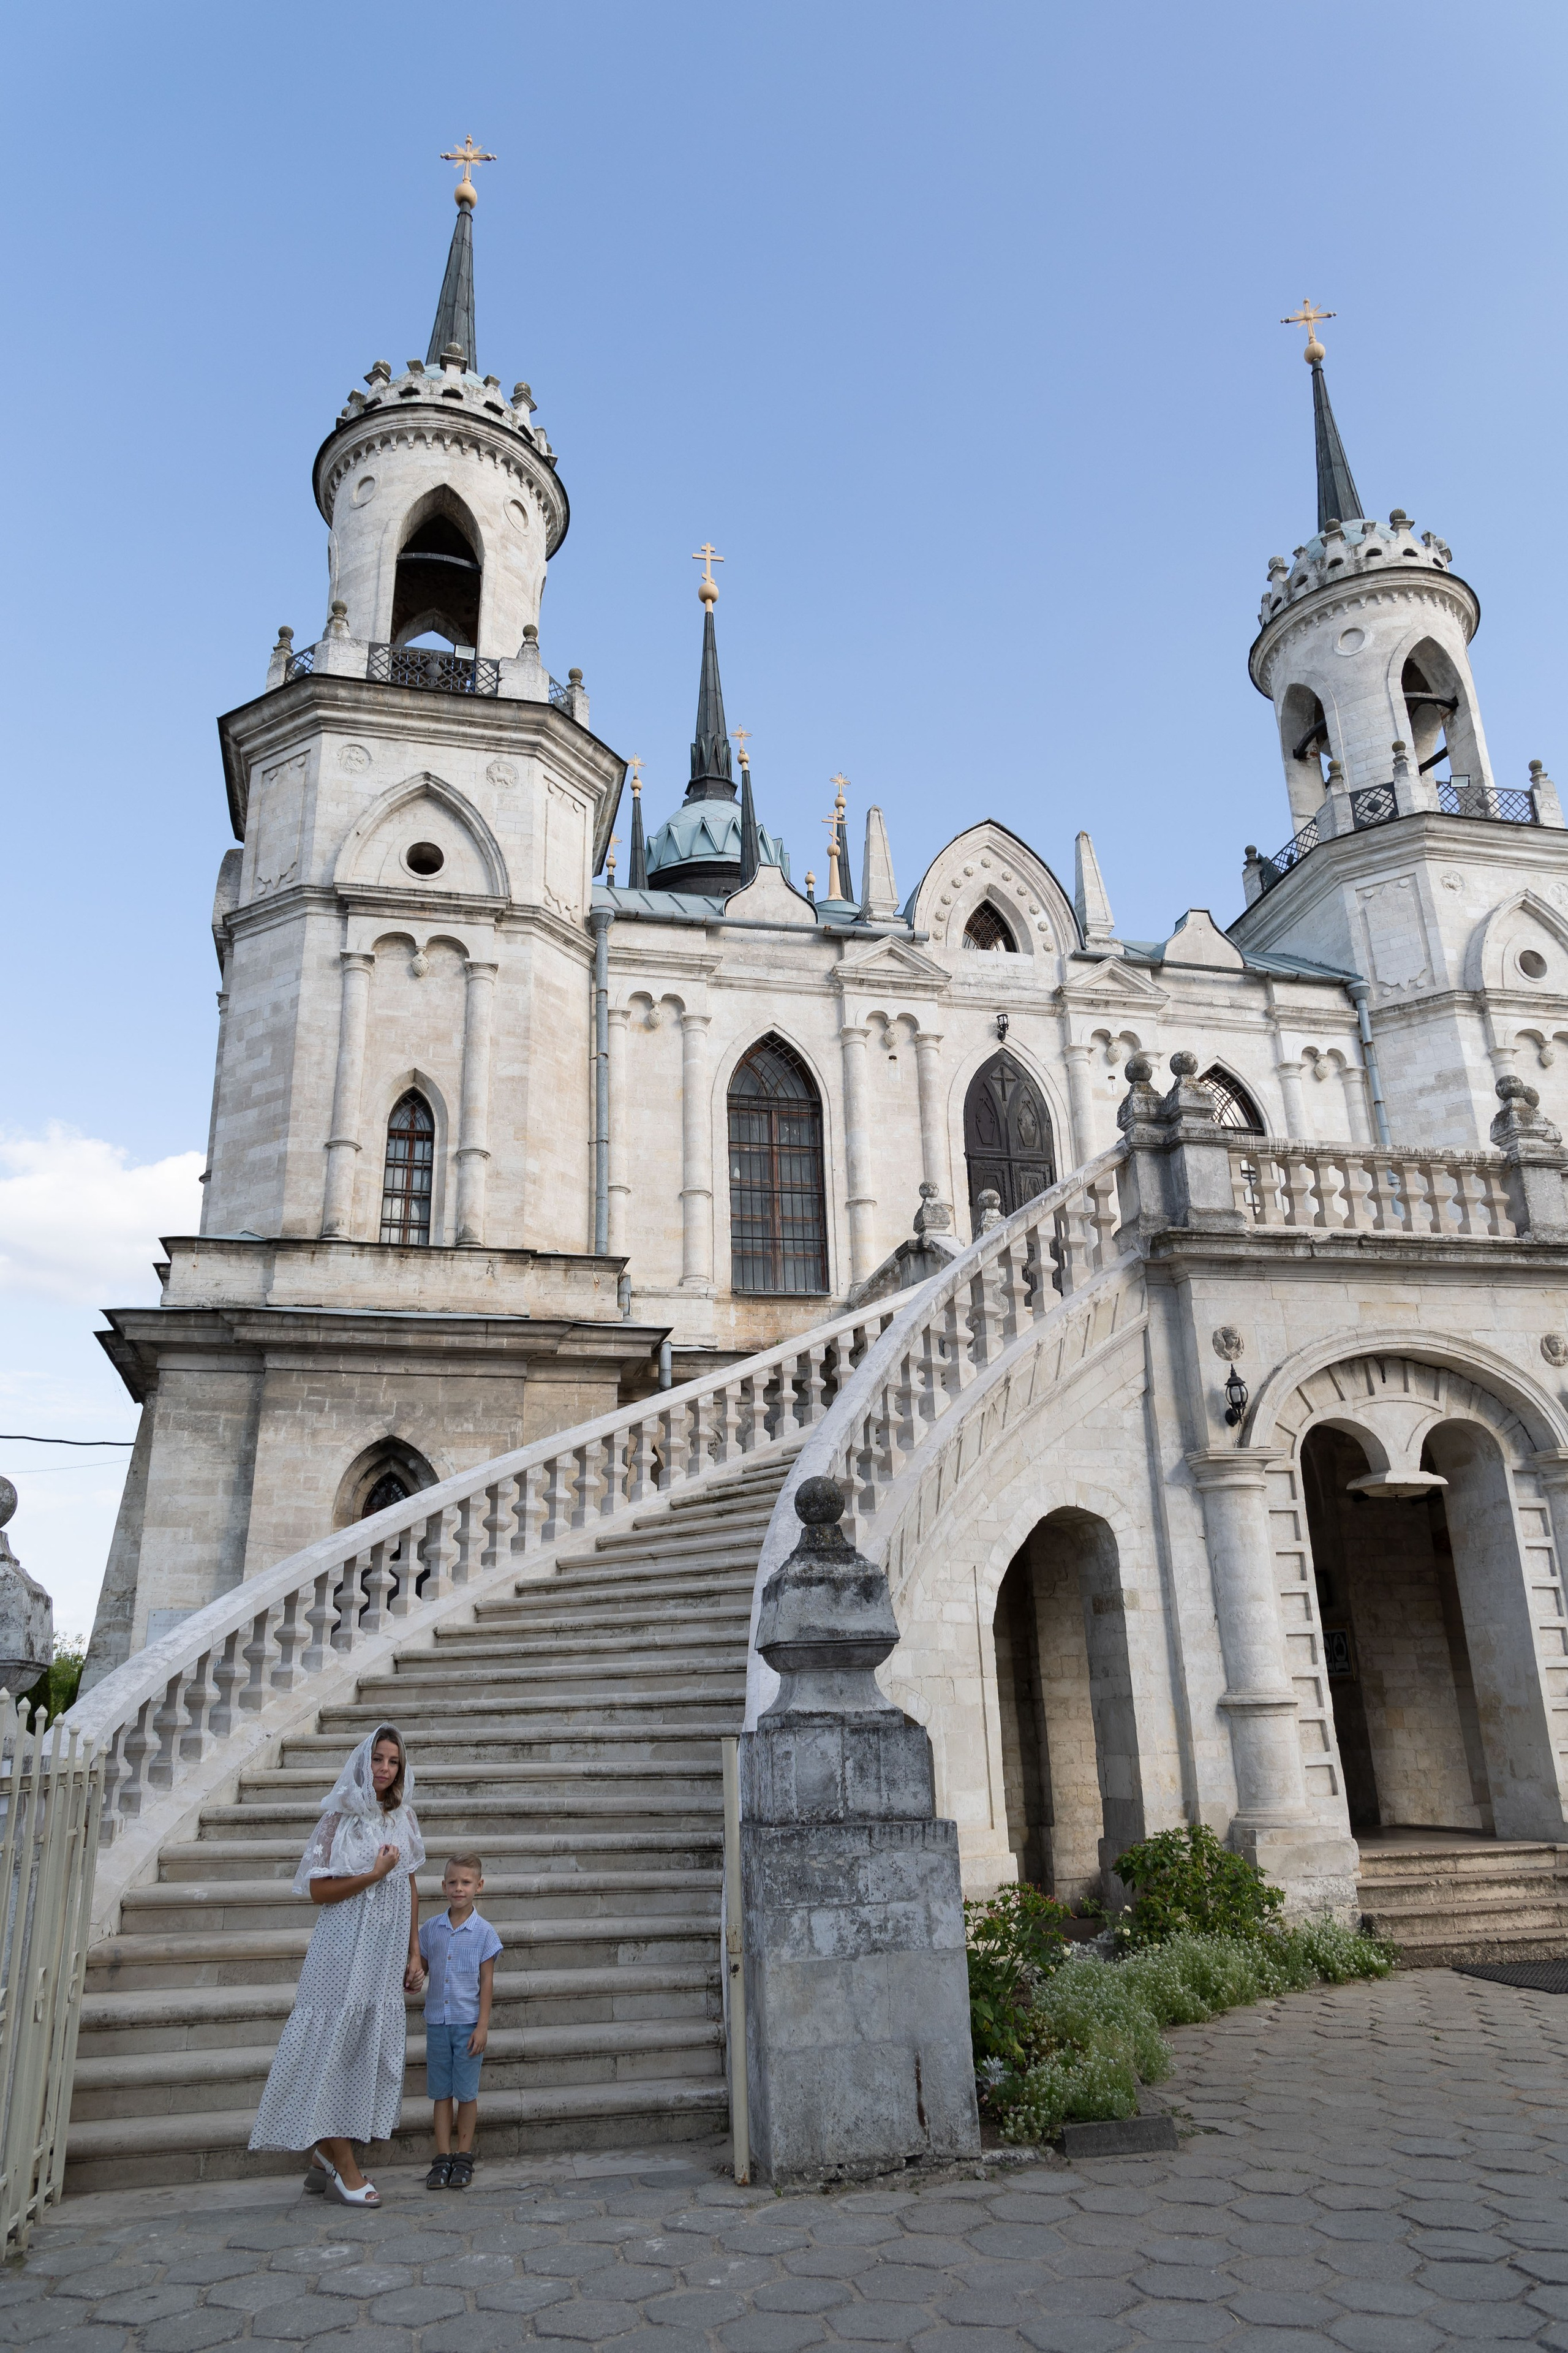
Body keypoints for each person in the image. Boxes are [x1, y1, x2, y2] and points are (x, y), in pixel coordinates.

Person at [247, 1724, 425, 2207]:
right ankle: (344, 2165)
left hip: (385, 1950)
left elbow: (408, 1882)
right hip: (343, 1948)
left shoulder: (403, 1817)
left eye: (393, 1761)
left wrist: (414, 1950)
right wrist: (373, 1874)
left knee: (356, 2048)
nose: (385, 1769)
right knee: (329, 2045)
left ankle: (324, 2155)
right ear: (361, 1762)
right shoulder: (338, 1820)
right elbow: (318, 1890)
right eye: (377, 1759)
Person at [418, 1853, 502, 2189]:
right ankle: (442, 2158)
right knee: (441, 2093)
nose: (458, 1888)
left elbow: (487, 1983)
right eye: (452, 1882)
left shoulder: (485, 1933)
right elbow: (421, 1968)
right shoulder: (431, 1929)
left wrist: (483, 2026)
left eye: (466, 1882)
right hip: (438, 2023)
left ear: (479, 1887)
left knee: (466, 2093)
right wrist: (412, 1979)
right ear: (443, 1886)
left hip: (468, 2026)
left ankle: (463, 2156)